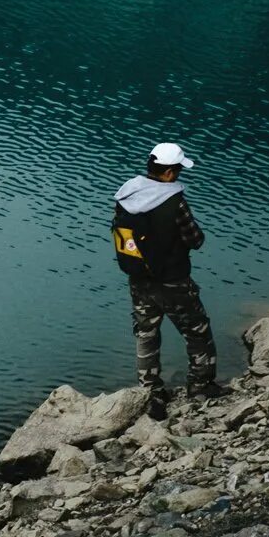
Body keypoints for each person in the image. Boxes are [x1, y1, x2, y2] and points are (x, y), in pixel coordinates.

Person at [111, 141, 225, 419]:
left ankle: (150, 391)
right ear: (170, 172)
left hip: (139, 279)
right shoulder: (174, 202)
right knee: (197, 330)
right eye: (178, 170)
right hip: (173, 280)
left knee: (146, 333)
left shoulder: (127, 195)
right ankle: (200, 386)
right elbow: (195, 239)